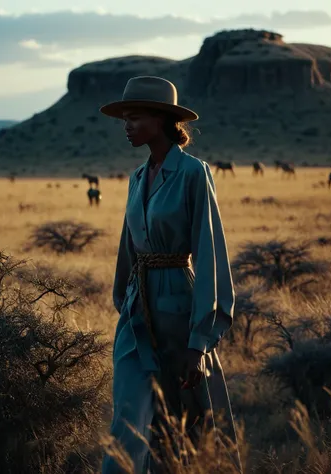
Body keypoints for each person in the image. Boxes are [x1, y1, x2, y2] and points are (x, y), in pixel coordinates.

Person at [99, 76, 242, 474]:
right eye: (124, 118)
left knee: (182, 425)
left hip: (179, 305)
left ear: (160, 120)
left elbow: (210, 252)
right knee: (127, 421)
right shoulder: (136, 177)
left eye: (134, 117)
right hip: (136, 309)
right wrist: (123, 301)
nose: (126, 126)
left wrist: (199, 343)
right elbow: (129, 247)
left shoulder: (194, 173)